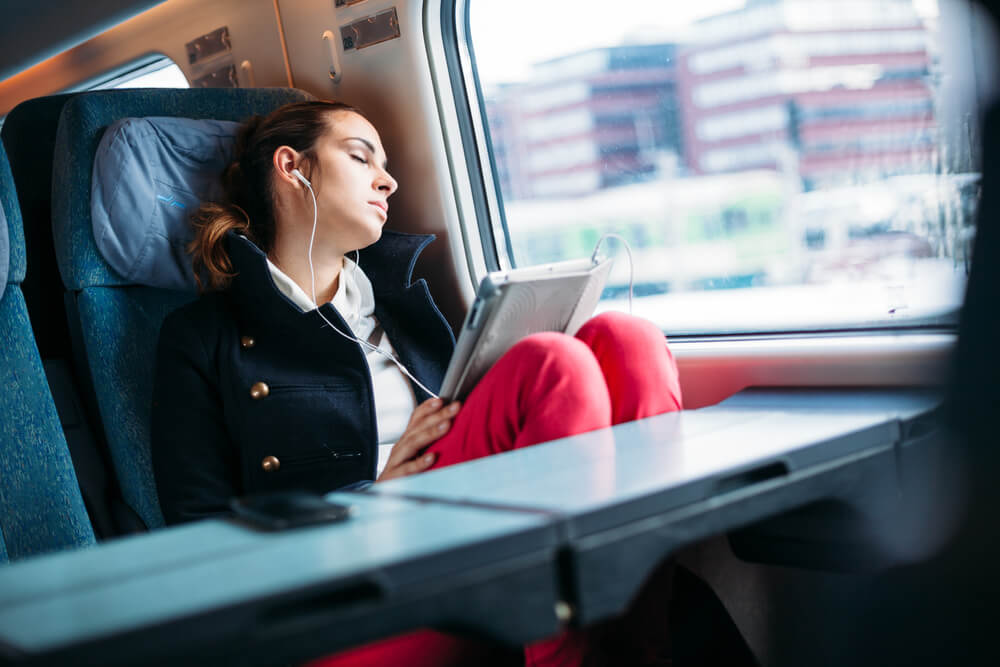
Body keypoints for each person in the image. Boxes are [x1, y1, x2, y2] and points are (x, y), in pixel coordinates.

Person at [151, 100, 683, 666]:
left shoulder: (402, 306)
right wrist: (372, 494)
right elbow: (199, 543)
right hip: (344, 591)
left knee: (629, 341)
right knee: (553, 364)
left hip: (469, 532)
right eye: (361, 158)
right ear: (294, 167)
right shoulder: (202, 336)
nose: (389, 180)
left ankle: (639, 639)